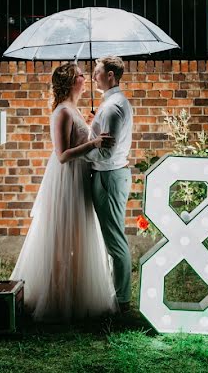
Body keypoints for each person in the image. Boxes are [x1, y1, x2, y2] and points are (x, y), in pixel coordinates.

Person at [11, 62, 118, 321]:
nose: (87, 78)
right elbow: (61, 155)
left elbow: (79, 142)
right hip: (66, 179)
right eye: (82, 75)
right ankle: (57, 298)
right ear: (72, 82)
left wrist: (91, 127)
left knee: (78, 238)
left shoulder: (74, 110)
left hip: (80, 177)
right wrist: (93, 141)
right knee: (61, 239)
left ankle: (75, 294)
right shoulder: (62, 112)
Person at [84, 56, 134, 312]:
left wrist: (78, 151)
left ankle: (122, 300)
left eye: (97, 72)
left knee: (115, 239)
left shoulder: (113, 107)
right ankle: (118, 295)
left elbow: (106, 153)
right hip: (108, 175)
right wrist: (95, 123)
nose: (93, 76)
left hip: (109, 176)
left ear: (111, 75)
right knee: (110, 237)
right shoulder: (110, 105)